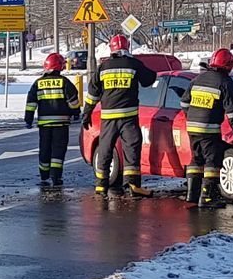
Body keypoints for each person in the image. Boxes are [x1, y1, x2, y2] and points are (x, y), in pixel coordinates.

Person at [88, 33, 158, 197]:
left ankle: (101, 185)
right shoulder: (133, 64)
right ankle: (133, 185)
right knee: (132, 147)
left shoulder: (103, 67)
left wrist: (86, 114)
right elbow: (149, 79)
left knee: (105, 149)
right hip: (128, 118)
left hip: (108, 119)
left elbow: (92, 93)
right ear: (127, 47)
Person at [183, 46, 233, 207]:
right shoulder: (225, 82)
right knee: (212, 161)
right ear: (228, 66)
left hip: (192, 127)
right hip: (209, 129)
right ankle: (208, 197)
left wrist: (190, 116)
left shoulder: (197, 79)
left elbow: (183, 102)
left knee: (196, 159)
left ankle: (191, 195)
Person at [24, 50, 80, 187]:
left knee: (45, 148)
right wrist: (76, 112)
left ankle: (44, 174)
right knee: (58, 150)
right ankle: (56, 176)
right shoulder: (64, 82)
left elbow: (31, 102)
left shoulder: (38, 83)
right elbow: (73, 100)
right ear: (60, 66)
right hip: (61, 124)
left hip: (44, 125)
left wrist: (28, 119)